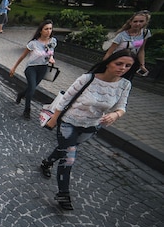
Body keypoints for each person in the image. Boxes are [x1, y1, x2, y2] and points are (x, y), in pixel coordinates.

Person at [40, 49, 139, 210]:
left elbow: (122, 106)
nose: (123, 68)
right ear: (108, 63)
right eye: (118, 63)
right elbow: (65, 99)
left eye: (128, 66)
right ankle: (63, 194)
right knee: (69, 156)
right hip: (69, 121)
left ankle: (47, 162)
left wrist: (116, 115)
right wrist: (54, 118)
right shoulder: (88, 79)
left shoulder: (124, 85)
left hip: (92, 126)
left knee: (65, 149)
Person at [9, 20, 57, 119]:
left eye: (50, 29)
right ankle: (27, 111)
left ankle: (20, 95)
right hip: (31, 68)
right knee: (32, 89)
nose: (48, 31)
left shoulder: (53, 41)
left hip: (43, 68)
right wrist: (14, 67)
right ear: (41, 30)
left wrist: (51, 58)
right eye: (46, 29)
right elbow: (22, 56)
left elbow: (51, 52)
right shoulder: (33, 43)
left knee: (32, 87)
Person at [102, 10, 151, 76]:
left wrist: (142, 65)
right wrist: (104, 64)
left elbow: (141, 50)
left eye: (141, 21)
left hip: (130, 62)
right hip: (117, 60)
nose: (138, 24)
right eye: (135, 21)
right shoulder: (121, 35)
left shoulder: (145, 33)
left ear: (145, 22)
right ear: (130, 22)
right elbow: (110, 51)